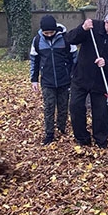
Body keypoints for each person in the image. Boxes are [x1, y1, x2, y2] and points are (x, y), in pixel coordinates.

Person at [65, 8, 108, 148]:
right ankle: (82, 139)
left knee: (100, 112)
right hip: (81, 77)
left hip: (102, 81)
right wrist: (82, 28)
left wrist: (106, 62)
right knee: (76, 107)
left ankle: (101, 140)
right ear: (107, 22)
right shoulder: (92, 27)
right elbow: (70, 39)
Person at [30, 15, 77, 145]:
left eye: (51, 32)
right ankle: (49, 133)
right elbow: (34, 60)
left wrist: (73, 75)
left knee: (63, 106)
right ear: (42, 31)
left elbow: (74, 58)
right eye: (46, 33)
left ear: (56, 29)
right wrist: (34, 80)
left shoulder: (66, 39)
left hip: (64, 79)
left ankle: (61, 128)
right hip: (47, 81)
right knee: (49, 107)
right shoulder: (37, 41)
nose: (49, 35)